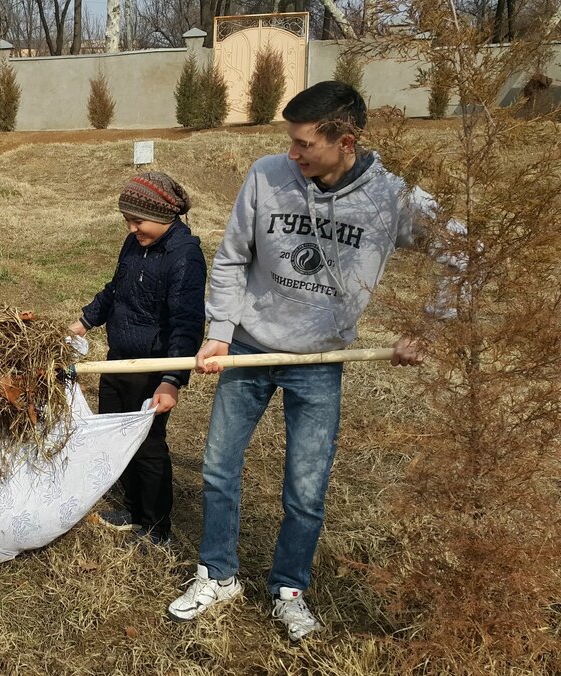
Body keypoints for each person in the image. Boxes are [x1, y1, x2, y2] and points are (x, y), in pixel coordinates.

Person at [165, 81, 444, 641]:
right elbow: (232, 256)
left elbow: (461, 251)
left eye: (304, 145)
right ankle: (217, 575)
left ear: (347, 141)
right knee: (219, 468)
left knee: (305, 487)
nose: (291, 154)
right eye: (289, 141)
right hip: (247, 348)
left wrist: (428, 328)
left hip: (319, 360)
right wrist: (220, 332)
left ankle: (289, 588)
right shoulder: (267, 174)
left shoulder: (391, 197)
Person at [69, 172, 207, 549]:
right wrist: (85, 320)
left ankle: (156, 525)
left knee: (147, 446)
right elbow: (116, 291)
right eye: (126, 221)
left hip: (150, 369)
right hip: (118, 362)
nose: (131, 228)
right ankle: (130, 508)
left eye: (138, 221)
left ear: (163, 214)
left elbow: (186, 326)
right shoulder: (134, 244)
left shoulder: (184, 257)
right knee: (118, 434)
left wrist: (172, 380)